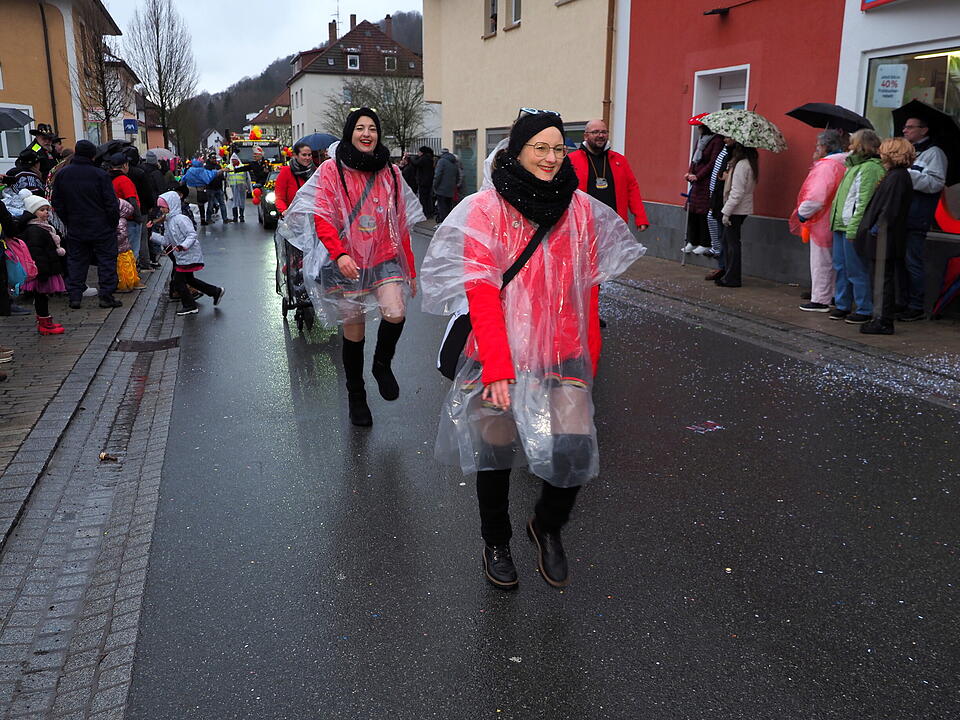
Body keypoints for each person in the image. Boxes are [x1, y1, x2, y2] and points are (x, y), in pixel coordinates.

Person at [420, 110, 645, 590]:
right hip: (495, 354)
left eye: (558, 147)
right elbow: (481, 291)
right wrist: (498, 368)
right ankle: (496, 543)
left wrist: (589, 359)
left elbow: (588, 293)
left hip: (563, 351)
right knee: (494, 456)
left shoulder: (581, 209)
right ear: (517, 151)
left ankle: (546, 524)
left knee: (572, 452)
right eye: (539, 147)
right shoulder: (486, 209)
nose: (550, 157)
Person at [283, 108, 425, 427]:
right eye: (360, 127)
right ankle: (356, 394)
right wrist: (339, 253)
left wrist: (410, 269)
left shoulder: (389, 172)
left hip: (384, 258)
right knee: (354, 330)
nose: (366, 133)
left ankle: (382, 364)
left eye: (372, 128)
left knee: (395, 310)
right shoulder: (333, 171)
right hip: (345, 262)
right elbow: (322, 217)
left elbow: (401, 224)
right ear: (349, 133)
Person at [855, 138, 916, 335]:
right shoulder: (895, 175)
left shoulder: (898, 177)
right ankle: (879, 317)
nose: (881, 153)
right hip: (883, 236)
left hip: (884, 238)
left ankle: (882, 320)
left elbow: (890, 208)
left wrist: (877, 228)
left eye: (884, 151)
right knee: (880, 278)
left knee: (882, 279)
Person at [51, 140, 122, 309]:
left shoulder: (62, 174)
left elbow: (57, 202)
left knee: (76, 261)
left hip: (76, 226)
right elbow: (111, 203)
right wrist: (112, 223)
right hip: (101, 226)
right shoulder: (100, 174)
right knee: (106, 261)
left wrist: (68, 220)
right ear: (92, 155)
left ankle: (75, 297)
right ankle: (106, 295)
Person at [790, 129, 848, 311]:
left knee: (821, 262)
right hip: (835, 217)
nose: (815, 149)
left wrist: (802, 213)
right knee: (832, 261)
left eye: (818, 145)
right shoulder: (843, 164)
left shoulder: (827, 166)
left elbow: (816, 197)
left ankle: (821, 299)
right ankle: (831, 294)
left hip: (822, 220)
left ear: (824, 146)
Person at [898, 115, 949, 322]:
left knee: (913, 262)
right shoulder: (910, 151)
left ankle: (916, 305)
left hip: (917, 216)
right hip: (902, 216)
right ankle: (902, 302)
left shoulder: (934, 153)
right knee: (900, 262)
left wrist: (907, 174)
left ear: (924, 130)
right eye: (905, 126)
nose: (905, 130)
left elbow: (935, 183)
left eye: (910, 127)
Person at [568, 118, 649, 232]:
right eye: (595, 132)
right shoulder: (571, 160)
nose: (600, 135)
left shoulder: (620, 160)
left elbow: (632, 188)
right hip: (583, 226)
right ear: (586, 136)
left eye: (604, 132)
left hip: (615, 226)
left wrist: (640, 217)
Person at [153, 191, 225, 316]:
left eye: (163, 206)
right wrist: (151, 235)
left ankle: (190, 305)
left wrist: (183, 246)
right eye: (160, 207)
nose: (161, 209)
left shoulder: (180, 219)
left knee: (179, 281)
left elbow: (191, 234)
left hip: (188, 255)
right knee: (189, 280)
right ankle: (215, 291)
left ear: (171, 205)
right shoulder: (169, 221)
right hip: (182, 256)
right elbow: (166, 241)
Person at [18, 194, 67, 334]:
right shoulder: (35, 230)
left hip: (46, 268)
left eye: (47, 209)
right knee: (41, 297)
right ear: (33, 213)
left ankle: (46, 322)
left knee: (43, 297)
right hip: (42, 270)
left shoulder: (45, 227)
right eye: (41, 210)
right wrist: (43, 271)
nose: (46, 212)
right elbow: (37, 253)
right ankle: (45, 324)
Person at [713, 139, 758, 288]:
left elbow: (737, 193)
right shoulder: (749, 163)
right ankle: (730, 276)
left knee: (732, 244)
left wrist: (726, 212)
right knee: (730, 242)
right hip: (740, 209)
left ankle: (732, 278)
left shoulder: (741, 165)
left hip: (735, 209)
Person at [683, 123, 724, 255]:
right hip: (696, 182)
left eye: (699, 127)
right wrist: (689, 173)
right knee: (692, 211)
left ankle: (704, 242)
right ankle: (692, 241)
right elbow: (694, 159)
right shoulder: (700, 140)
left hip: (705, 182)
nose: (698, 130)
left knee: (703, 212)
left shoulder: (716, 141)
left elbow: (712, 162)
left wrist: (698, 176)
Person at [274, 142, 315, 216]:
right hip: (293, 217)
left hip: (313, 216)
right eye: (304, 155)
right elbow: (279, 197)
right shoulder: (286, 172)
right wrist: (284, 211)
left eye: (309, 155)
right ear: (296, 155)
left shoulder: (316, 171)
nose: (307, 158)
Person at [115, 199, 142, 293]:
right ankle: (130, 282)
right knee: (128, 265)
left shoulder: (119, 221)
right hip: (124, 248)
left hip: (120, 249)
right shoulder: (122, 219)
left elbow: (121, 235)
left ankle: (125, 285)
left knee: (122, 268)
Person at [432, 148, 460, 222]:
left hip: (441, 189)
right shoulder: (454, 162)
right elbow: (458, 175)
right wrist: (454, 185)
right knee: (448, 207)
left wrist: (435, 186)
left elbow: (438, 175)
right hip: (451, 189)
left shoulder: (441, 161)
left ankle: (442, 223)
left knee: (442, 207)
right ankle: (448, 223)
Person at [225, 154, 252, 223]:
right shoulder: (228, 167)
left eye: (235, 160)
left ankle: (242, 216)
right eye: (232, 160)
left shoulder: (242, 167)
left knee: (241, 202)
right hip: (232, 187)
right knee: (234, 202)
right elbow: (225, 179)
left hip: (241, 187)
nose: (233, 161)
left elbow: (248, 179)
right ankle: (235, 217)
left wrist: (250, 189)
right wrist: (225, 189)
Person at [410, 146, 435, 218]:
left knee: (423, 198)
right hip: (428, 181)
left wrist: (411, 158)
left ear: (422, 152)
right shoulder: (430, 158)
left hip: (423, 181)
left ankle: (425, 212)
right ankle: (429, 212)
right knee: (428, 197)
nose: (418, 153)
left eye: (419, 152)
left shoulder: (424, 159)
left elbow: (415, 163)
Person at [204, 158, 230, 224]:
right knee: (210, 205)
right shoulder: (207, 167)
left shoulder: (218, 166)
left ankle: (225, 218)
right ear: (210, 159)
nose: (215, 159)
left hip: (218, 188)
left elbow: (221, 176)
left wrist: (223, 178)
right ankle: (208, 218)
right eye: (213, 158)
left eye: (215, 158)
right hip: (210, 188)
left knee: (222, 204)